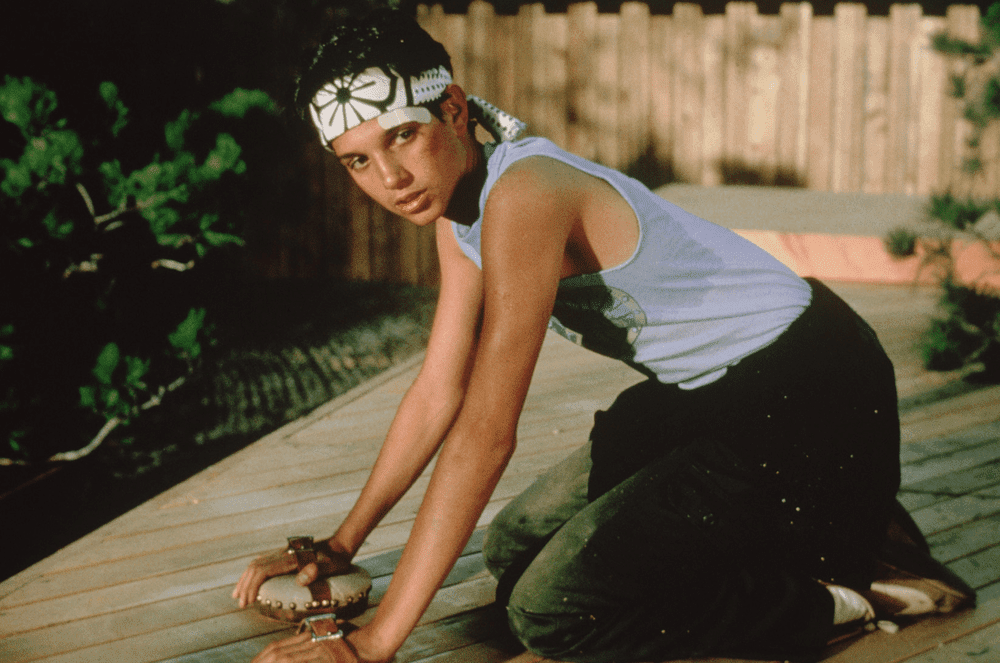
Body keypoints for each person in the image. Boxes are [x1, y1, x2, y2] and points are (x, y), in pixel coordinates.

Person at [234, 9, 973, 663]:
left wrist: (374, 642)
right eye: (359, 161)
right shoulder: (459, 213)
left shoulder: (525, 193)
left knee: (550, 610)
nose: (390, 177)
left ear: (454, 110)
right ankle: (829, 531)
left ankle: (849, 593)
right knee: (513, 547)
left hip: (810, 393)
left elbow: (487, 431)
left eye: (403, 136)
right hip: (712, 394)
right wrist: (342, 541)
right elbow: (438, 391)